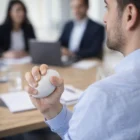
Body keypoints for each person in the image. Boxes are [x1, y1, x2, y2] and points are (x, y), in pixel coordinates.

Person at [25, 0, 140, 139]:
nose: (104, 18)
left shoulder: (102, 97)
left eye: (107, 7)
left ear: (129, 15)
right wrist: (51, 109)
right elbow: (87, 132)